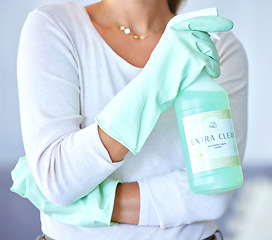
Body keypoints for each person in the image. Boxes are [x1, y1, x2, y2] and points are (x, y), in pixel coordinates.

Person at [16, 0, 248, 239]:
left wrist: (90, 203)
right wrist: (156, 81)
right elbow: (59, 177)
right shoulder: (56, 26)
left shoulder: (211, 42)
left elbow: (213, 195)